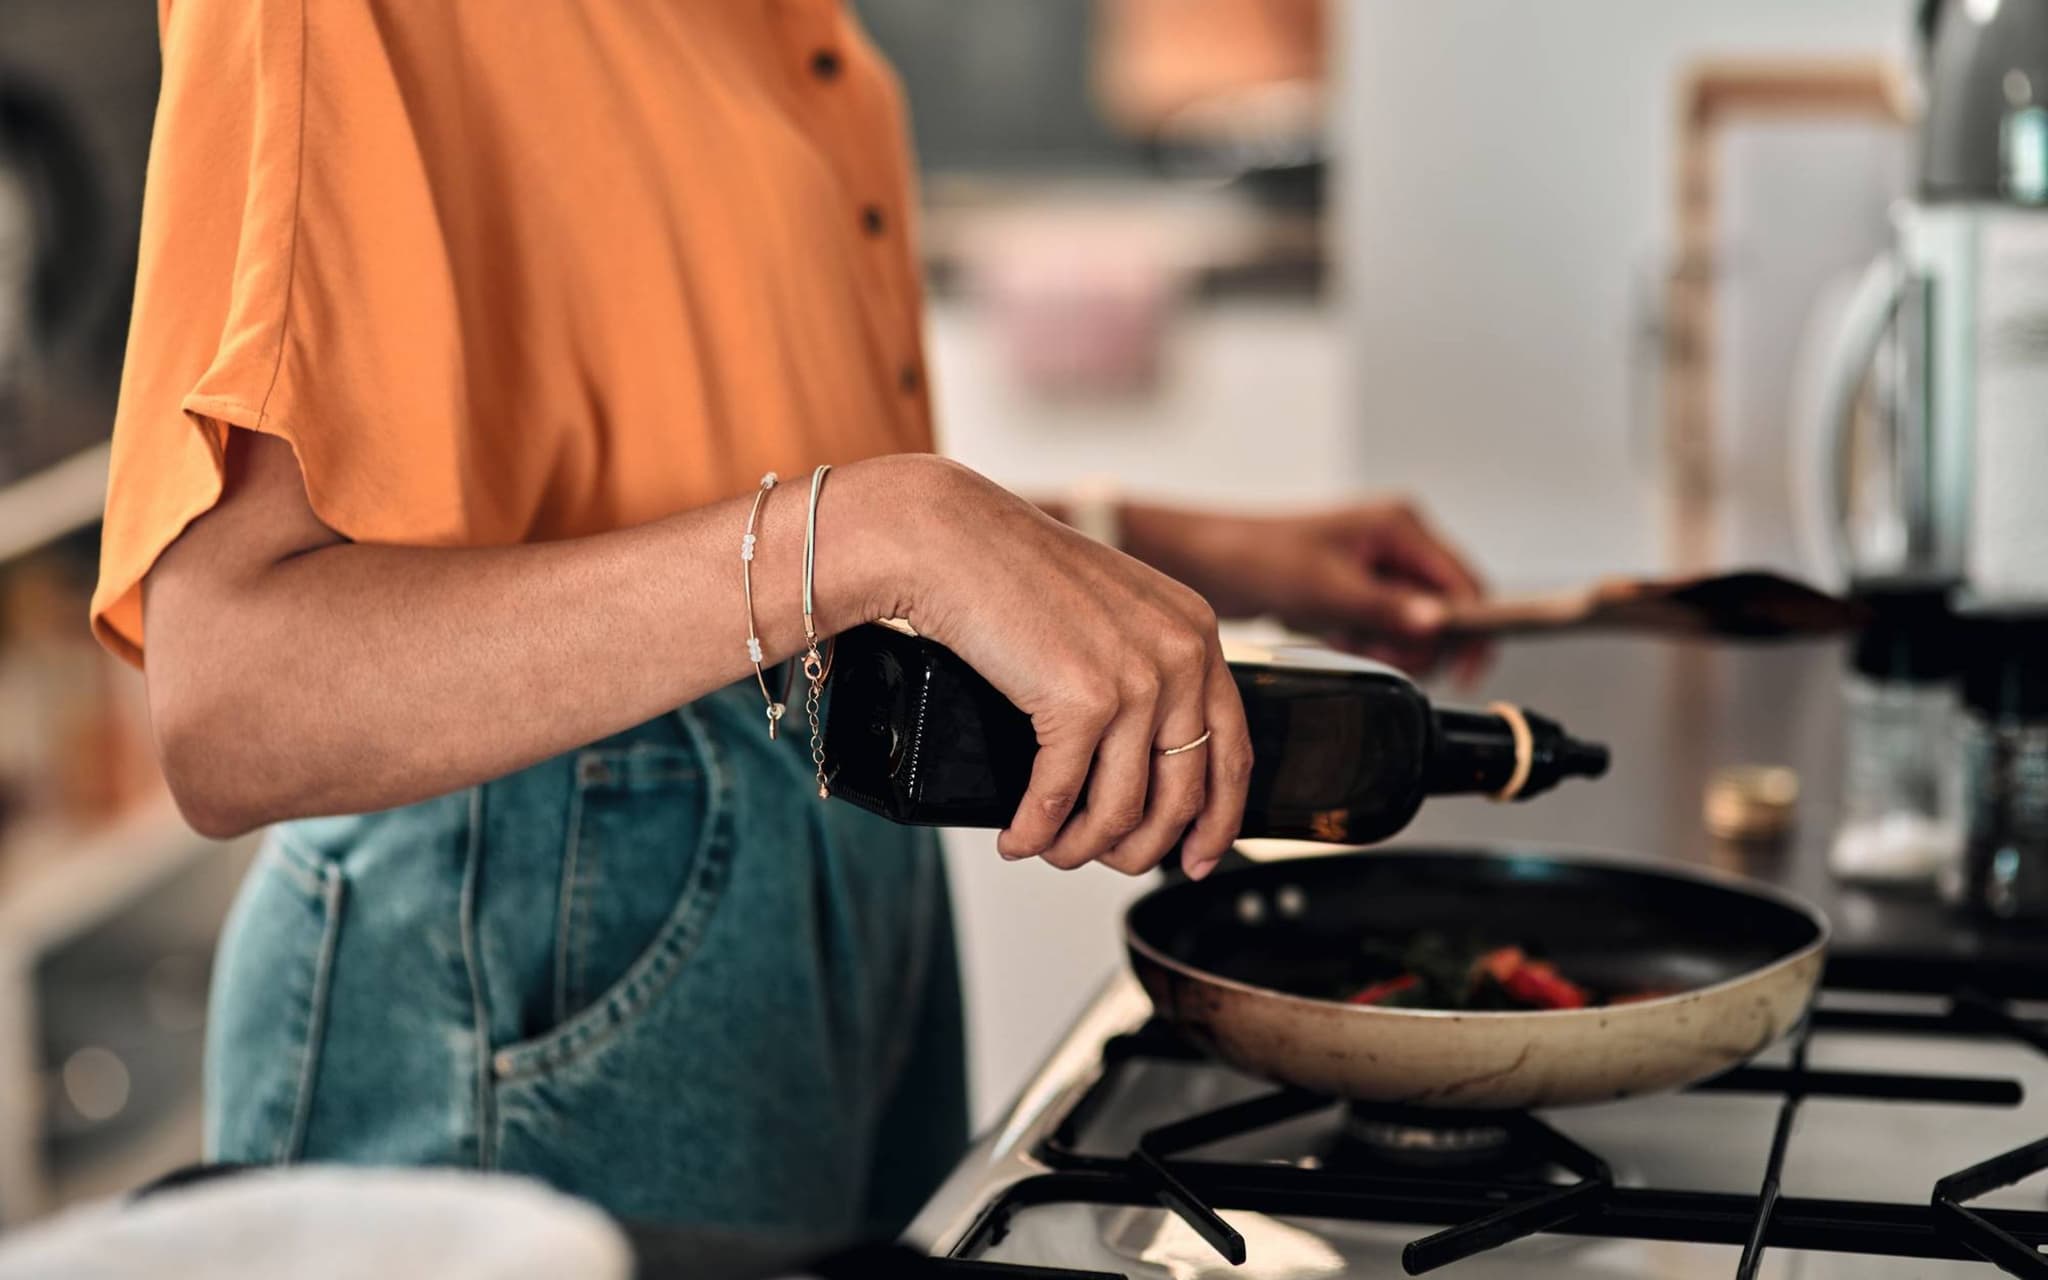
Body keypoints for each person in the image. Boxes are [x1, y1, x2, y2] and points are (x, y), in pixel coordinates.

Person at [92, 0, 1486, 1246]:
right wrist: (889, 532)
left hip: (830, 878)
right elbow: (234, 699)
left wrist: (1171, 544)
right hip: (533, 953)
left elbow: (746, 504)